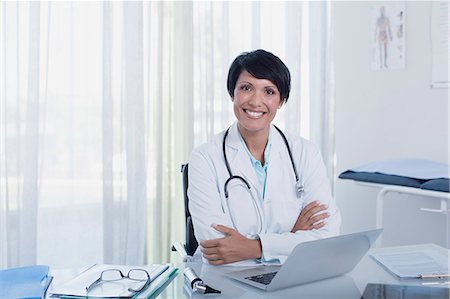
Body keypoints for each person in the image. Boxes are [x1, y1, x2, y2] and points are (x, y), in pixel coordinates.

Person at [187, 49, 341, 266]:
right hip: (227, 282)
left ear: (281, 100)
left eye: (269, 91)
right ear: (232, 94)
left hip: (291, 276)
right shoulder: (204, 158)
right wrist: (293, 236)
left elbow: (327, 235)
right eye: (246, 88)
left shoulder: (305, 152)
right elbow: (216, 247)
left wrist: (254, 247)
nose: (256, 101)